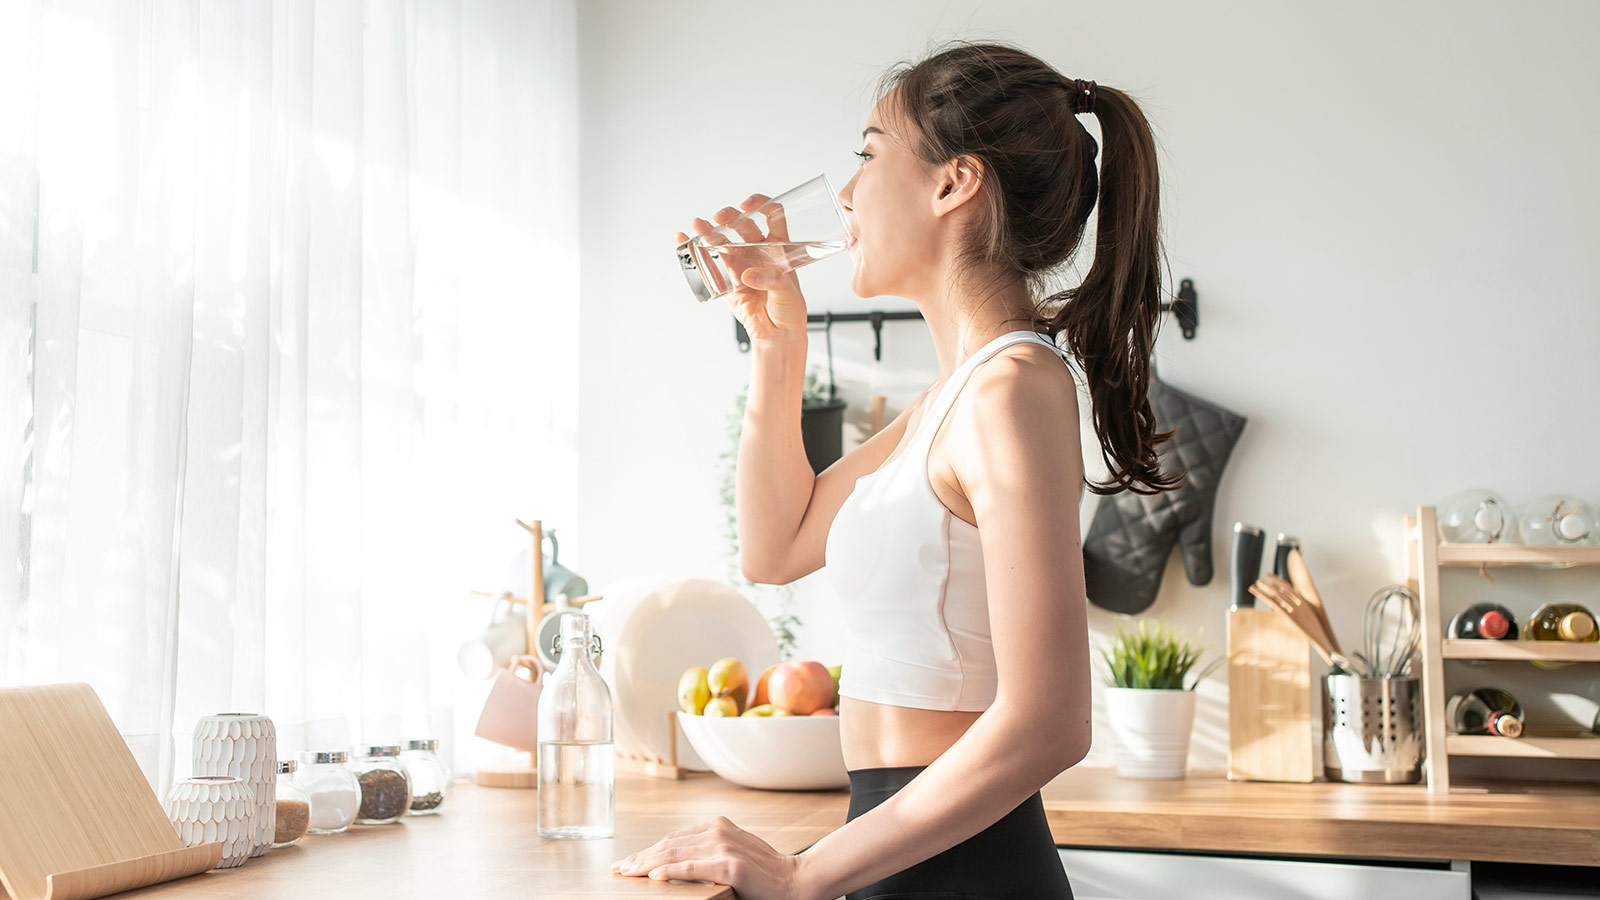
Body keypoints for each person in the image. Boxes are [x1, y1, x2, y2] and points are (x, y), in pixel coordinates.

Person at [614, 40, 1181, 900]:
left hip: (966, 870)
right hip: (894, 850)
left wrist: (805, 875)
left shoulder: (1012, 389)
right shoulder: (950, 401)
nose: (844, 193)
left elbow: (1052, 722)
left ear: (955, 183)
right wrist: (777, 347)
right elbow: (776, 549)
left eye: (869, 155)